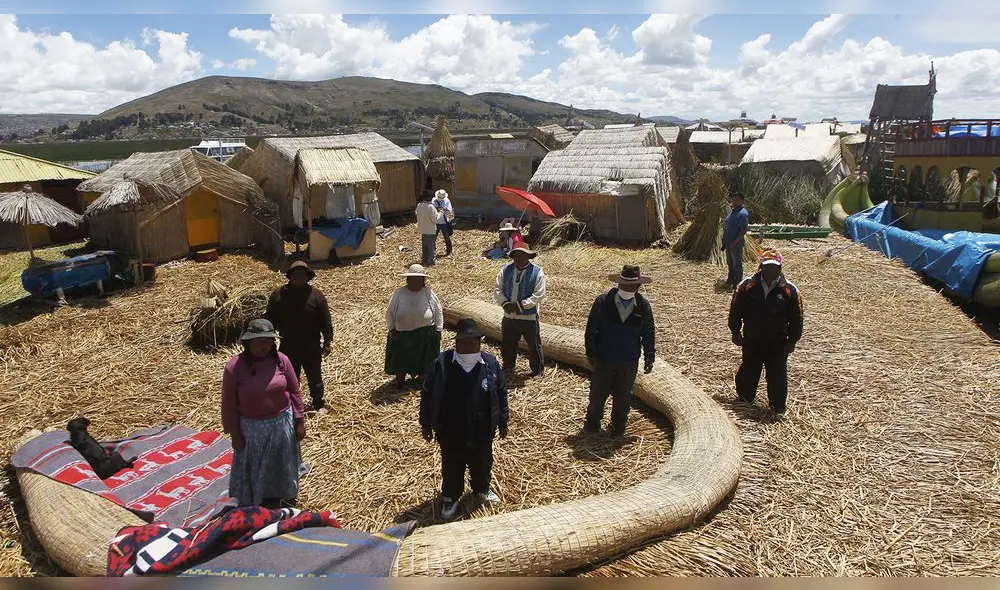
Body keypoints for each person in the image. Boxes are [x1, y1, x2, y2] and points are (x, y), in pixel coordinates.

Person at [420, 318, 509, 521]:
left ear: (479, 343)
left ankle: (481, 489)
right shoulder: (442, 364)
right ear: (456, 343)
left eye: (473, 342)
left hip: (482, 428)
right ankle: (450, 497)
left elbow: (501, 393)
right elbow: (427, 394)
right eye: (465, 342)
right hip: (451, 429)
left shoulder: (490, 364)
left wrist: (503, 421)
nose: (469, 346)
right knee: (452, 465)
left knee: (482, 462)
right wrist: (426, 423)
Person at [222, 318, 305, 509]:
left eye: (268, 341)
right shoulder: (235, 367)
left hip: (282, 424)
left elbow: (294, 391)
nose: (264, 346)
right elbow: (229, 403)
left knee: (281, 464)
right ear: (248, 342)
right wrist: (235, 433)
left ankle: (284, 497)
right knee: (257, 467)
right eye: (259, 341)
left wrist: (299, 420)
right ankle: (258, 500)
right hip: (253, 429)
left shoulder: (282, 361)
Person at [728, 249, 804, 416]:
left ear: (780, 268)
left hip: (777, 343)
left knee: (777, 375)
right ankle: (745, 399)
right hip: (752, 339)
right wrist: (735, 331)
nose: (770, 270)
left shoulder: (789, 290)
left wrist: (792, 340)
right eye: (767, 266)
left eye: (774, 267)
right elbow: (735, 310)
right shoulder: (747, 286)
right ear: (761, 266)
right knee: (749, 370)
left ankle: (778, 407)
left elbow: (797, 318)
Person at [583, 265, 656, 436]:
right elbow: (591, 328)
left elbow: (648, 332)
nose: (628, 289)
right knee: (597, 394)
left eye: (632, 286)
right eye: (625, 285)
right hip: (604, 358)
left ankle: (618, 427)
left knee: (623, 397)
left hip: (629, 361)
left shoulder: (643, 306)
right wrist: (590, 352)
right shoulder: (603, 302)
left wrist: (649, 356)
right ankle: (592, 424)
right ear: (618, 284)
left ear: (638, 286)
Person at [265, 260, 333, 412]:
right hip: (288, 346)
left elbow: (325, 321)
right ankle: (292, 404)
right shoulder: (278, 295)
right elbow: (270, 320)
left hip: (311, 346)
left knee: (314, 376)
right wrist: (269, 342)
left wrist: (328, 342)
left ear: (308, 277)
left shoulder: (316, 296)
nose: (299, 277)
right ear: (290, 276)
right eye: (296, 274)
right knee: (290, 377)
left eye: (303, 274)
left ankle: (318, 402)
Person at [492, 238, 547, 378]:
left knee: (534, 345)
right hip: (509, 317)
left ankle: (537, 370)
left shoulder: (537, 272)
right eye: (516, 255)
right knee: (508, 344)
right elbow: (498, 289)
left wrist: (521, 305)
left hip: (529, 318)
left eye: (522, 255)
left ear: (528, 256)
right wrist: (505, 303)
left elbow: (539, 294)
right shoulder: (505, 270)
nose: (519, 258)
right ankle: (508, 366)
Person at [385, 264, 444, 389]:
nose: (416, 282)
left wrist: (439, 329)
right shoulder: (399, 293)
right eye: (413, 279)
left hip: (425, 333)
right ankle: (400, 380)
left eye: (419, 279)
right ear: (408, 280)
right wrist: (392, 329)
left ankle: (422, 379)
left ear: (423, 280)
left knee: (425, 357)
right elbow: (389, 312)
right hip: (402, 334)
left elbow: (438, 310)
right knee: (400, 357)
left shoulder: (428, 293)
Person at [722, 192, 750, 289]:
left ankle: (737, 283)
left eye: (736, 199)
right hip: (728, 242)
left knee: (737, 264)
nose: (734, 201)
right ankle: (731, 279)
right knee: (730, 263)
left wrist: (735, 242)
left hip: (736, 244)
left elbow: (743, 231)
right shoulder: (732, 211)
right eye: (733, 199)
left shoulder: (743, 214)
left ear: (742, 200)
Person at [415, 190, 441, 266]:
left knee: (425, 245)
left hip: (422, 228)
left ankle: (424, 259)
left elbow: (417, 214)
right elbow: (435, 219)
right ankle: (431, 261)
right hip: (430, 229)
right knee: (431, 246)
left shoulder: (419, 205)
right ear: (430, 198)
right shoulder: (430, 207)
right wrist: (440, 213)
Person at [432, 189, 455, 257]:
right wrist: (437, 209)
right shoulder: (433, 200)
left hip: (444, 222)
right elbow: (431, 209)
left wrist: (444, 209)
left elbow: (450, 210)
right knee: (433, 238)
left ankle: (449, 251)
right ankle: (433, 251)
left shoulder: (447, 200)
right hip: (435, 222)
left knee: (447, 238)